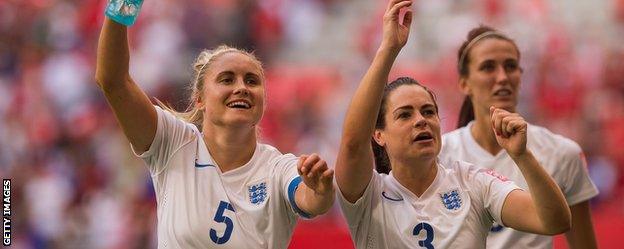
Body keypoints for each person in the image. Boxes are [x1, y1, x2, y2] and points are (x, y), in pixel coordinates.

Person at [335, 1, 571, 248]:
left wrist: (522, 156)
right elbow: (353, 143)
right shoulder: (368, 196)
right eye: (405, 115)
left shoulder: (472, 182)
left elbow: (555, 222)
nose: (421, 120)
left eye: (429, 111)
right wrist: (388, 48)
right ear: (379, 135)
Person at [94, 8, 335, 249]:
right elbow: (113, 81)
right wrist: (123, 4)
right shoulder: (173, 143)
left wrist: (320, 190)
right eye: (227, 79)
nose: (241, 87)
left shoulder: (277, 168)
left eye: (252, 81)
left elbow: (310, 199)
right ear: (200, 99)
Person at [439, 25, 600, 249]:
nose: (503, 77)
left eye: (511, 66)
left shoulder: (563, 152)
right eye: (488, 67)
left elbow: (584, 245)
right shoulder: (440, 156)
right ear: (464, 84)